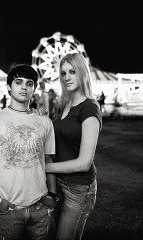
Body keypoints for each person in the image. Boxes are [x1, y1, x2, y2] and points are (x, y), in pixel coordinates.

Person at [0, 64, 57, 240]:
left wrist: (52, 195)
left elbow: (48, 160)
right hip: (8, 209)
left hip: (40, 207)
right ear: (9, 87)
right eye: (18, 82)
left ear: (34, 88)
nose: (24, 87)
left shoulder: (45, 121)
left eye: (29, 83)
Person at [45, 53, 102, 240]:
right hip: (59, 184)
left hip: (79, 189)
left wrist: (44, 168)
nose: (67, 77)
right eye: (63, 73)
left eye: (72, 71)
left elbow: (84, 163)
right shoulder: (66, 104)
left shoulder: (89, 108)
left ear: (83, 73)